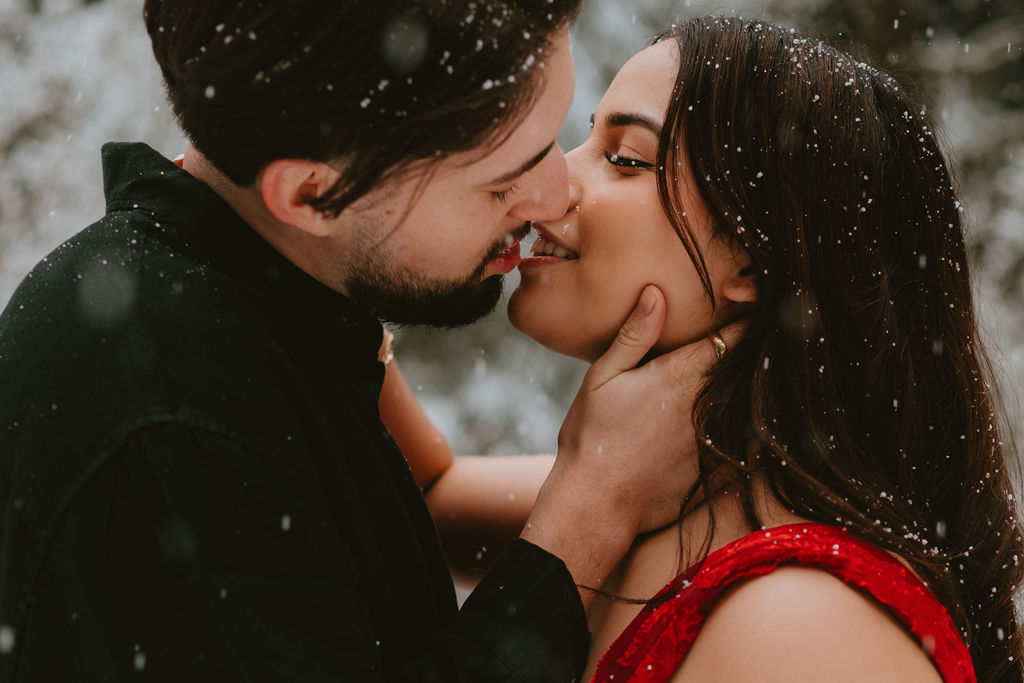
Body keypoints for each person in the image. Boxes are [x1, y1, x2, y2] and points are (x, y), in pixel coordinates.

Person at [0, 2, 727, 681]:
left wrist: (644, 473)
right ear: (312, 194)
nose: (556, 193)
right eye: (504, 179)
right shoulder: (174, 436)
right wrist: (597, 505)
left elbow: (435, 494)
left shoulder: (267, 301)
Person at [507, 16, 1024, 683]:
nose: (545, 183)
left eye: (626, 158)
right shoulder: (625, 488)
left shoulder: (804, 635)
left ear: (752, 263)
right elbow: (416, 485)